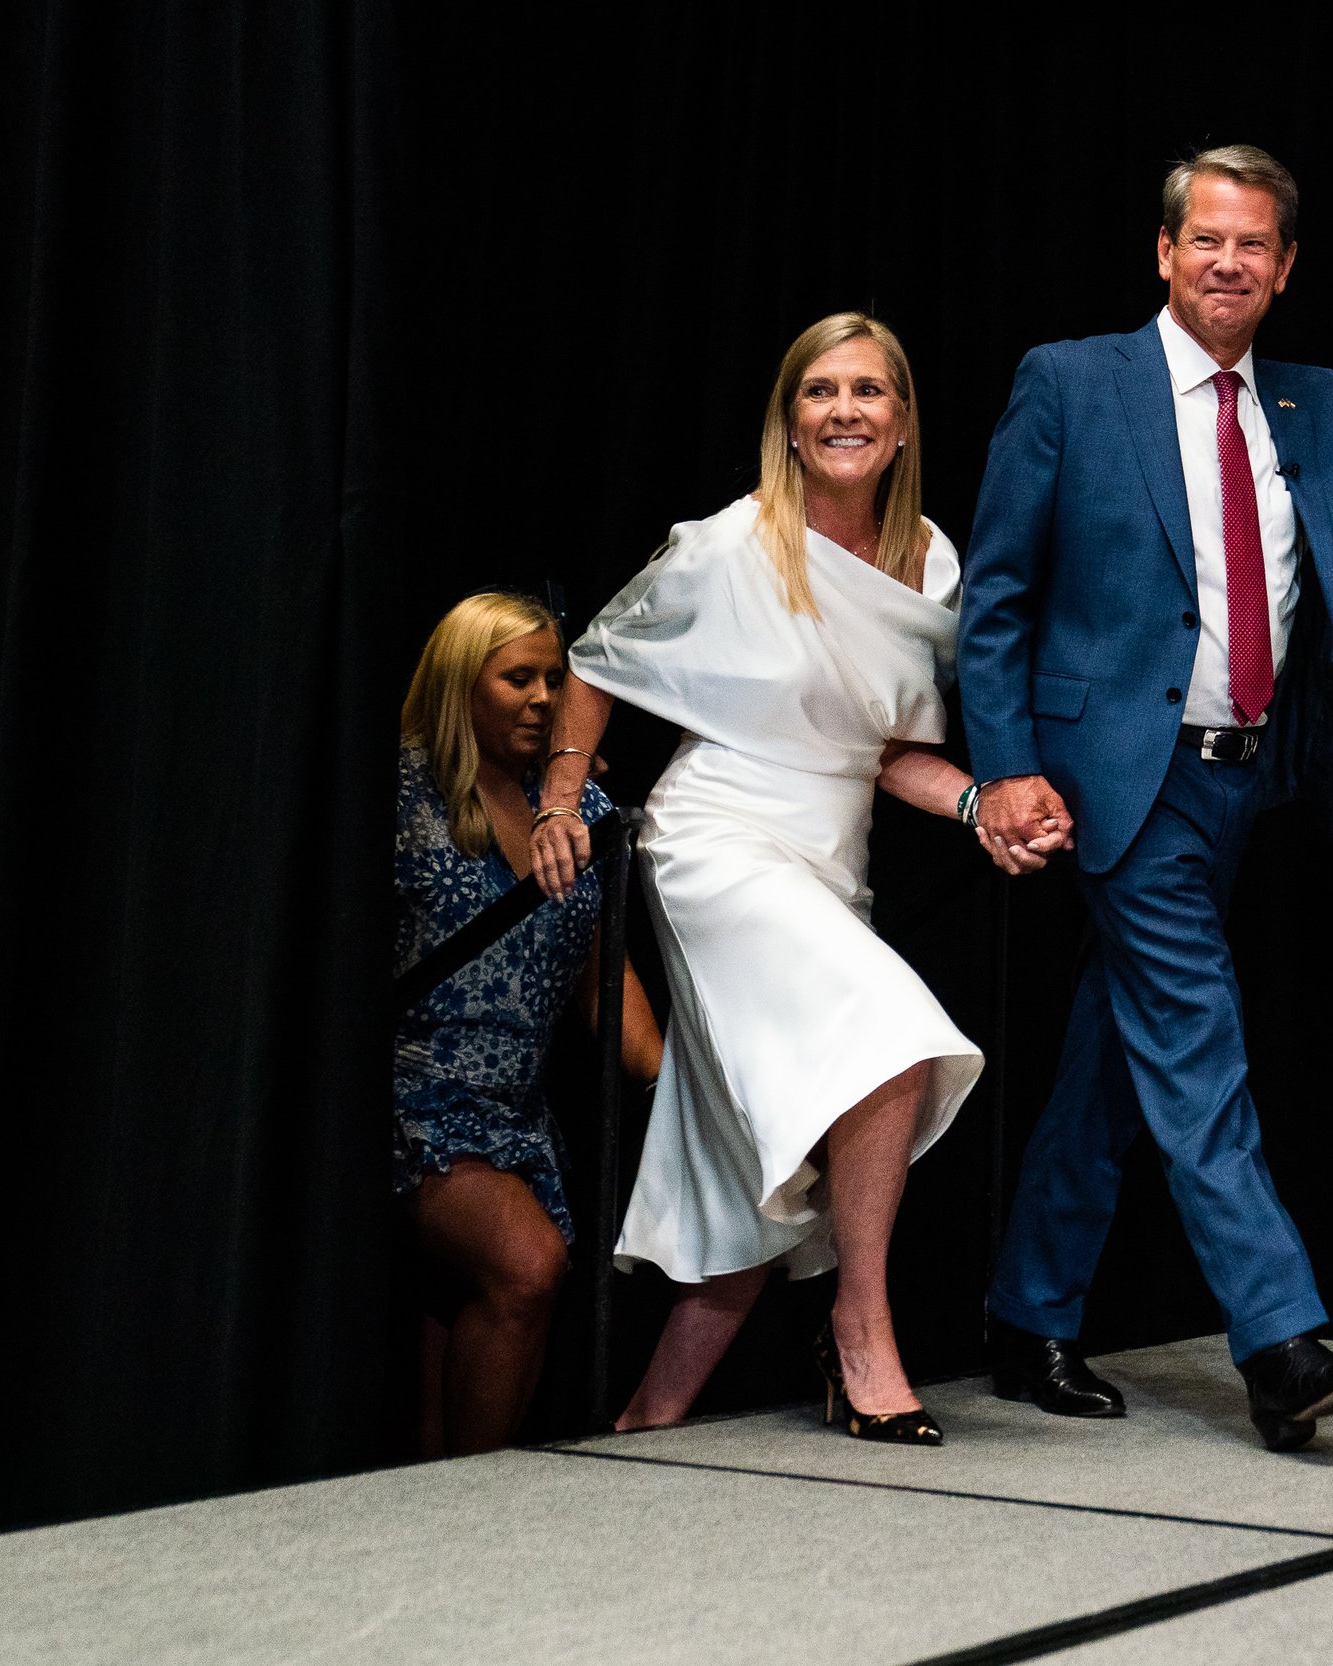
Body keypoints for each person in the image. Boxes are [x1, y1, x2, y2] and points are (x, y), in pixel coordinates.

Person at [961, 144, 1333, 1451]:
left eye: (1253, 245)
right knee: (1197, 1044)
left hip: (1245, 785)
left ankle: (1027, 1311)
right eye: (1206, 238)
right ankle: (1278, 1341)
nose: (1227, 263)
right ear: (1163, 250)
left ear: (1287, 267)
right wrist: (1006, 763)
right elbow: (997, 600)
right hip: (1115, 776)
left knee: (1120, 1049)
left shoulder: (1315, 403)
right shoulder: (1072, 382)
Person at [532, 313, 1058, 1445]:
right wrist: (560, 797)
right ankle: (861, 1327)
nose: (844, 411)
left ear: (903, 416)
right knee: (895, 1038)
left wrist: (979, 802)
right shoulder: (733, 541)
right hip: (716, 837)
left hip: (832, 860)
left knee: (747, 1178)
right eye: (819, 392)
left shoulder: (931, 557)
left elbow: (890, 749)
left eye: (868, 391)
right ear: (790, 419)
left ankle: (643, 1426)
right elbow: (596, 660)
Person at [395, 591, 664, 1457]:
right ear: (458, 683)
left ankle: (438, 1522)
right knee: (527, 1264)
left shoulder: (577, 814)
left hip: (519, 1123)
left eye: (555, 679)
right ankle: (479, 1508)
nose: (546, 698)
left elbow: (601, 980)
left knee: (484, 1312)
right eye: (519, 678)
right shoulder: (405, 792)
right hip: (414, 1102)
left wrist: (682, 1085)